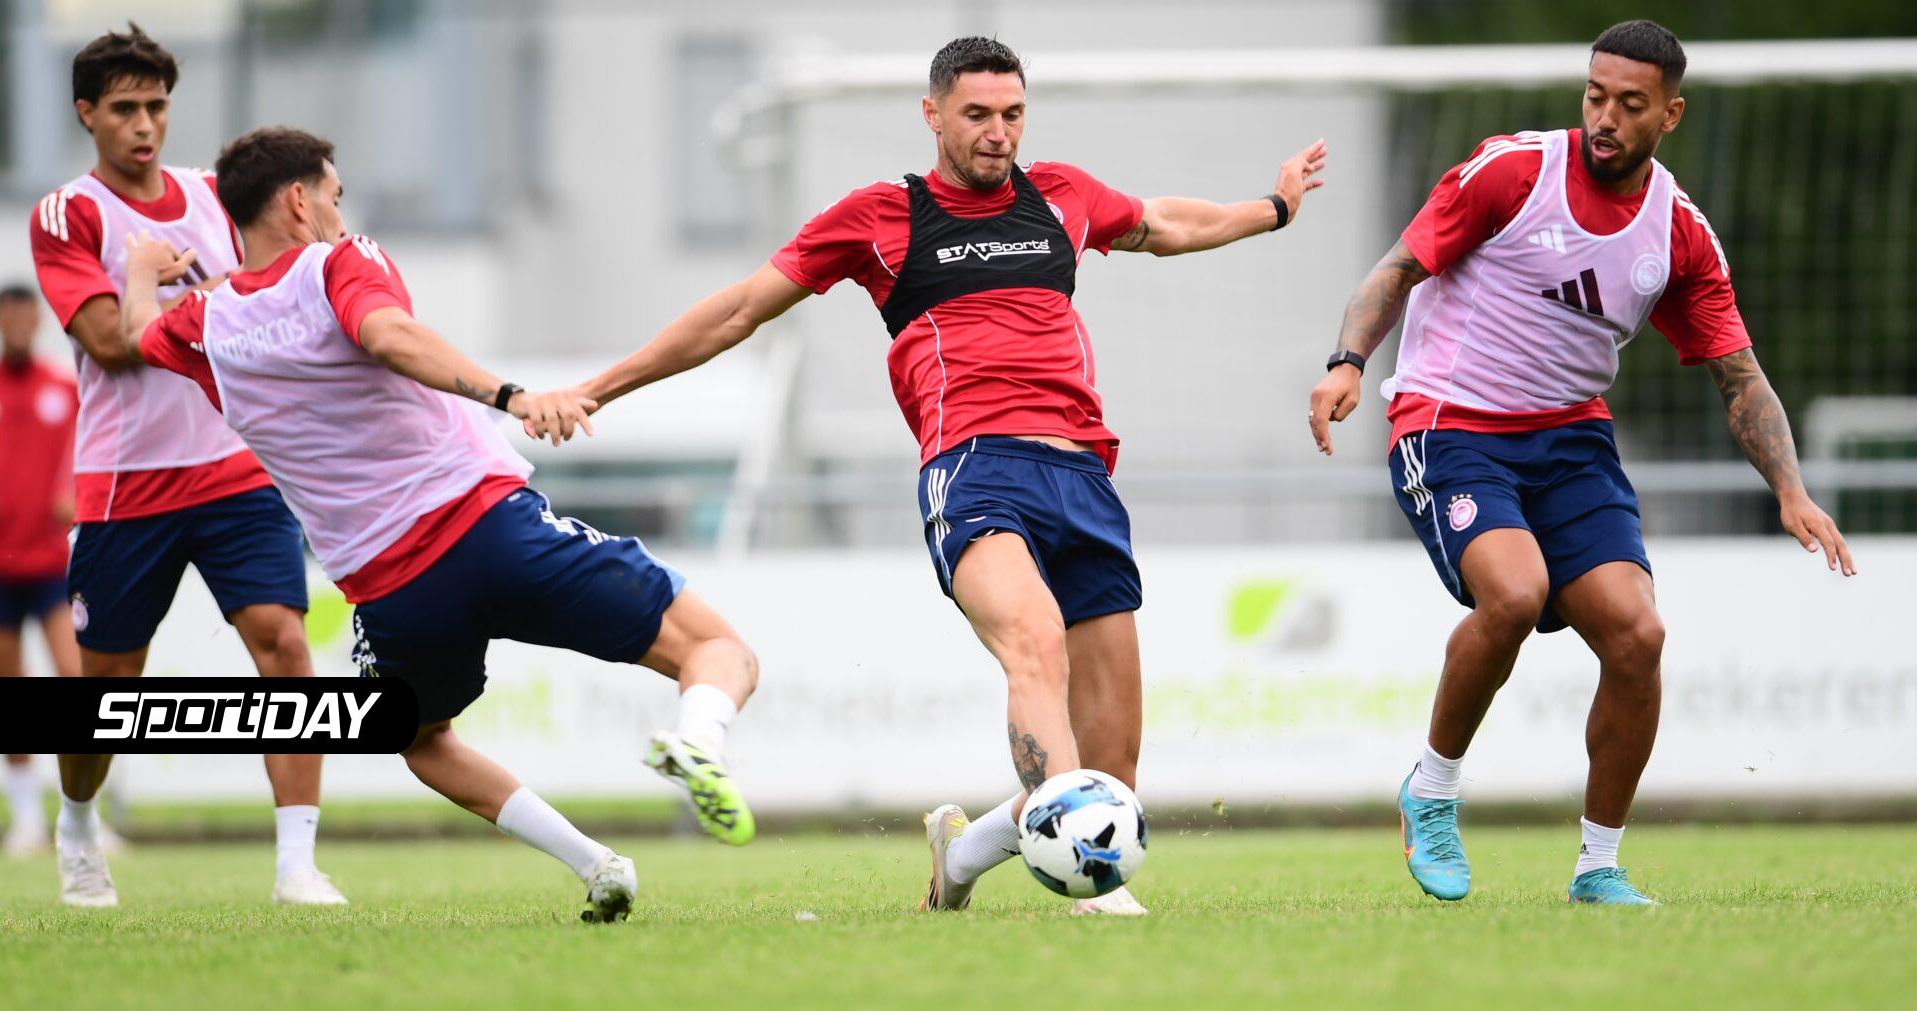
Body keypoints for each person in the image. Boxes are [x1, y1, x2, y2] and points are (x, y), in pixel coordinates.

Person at [569, 36, 1326, 917]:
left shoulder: (1063, 195)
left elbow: (1168, 224)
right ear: (932, 115)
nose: (997, 132)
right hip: (973, 469)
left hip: (1083, 476)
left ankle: (960, 856)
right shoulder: (879, 215)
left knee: (1112, 772)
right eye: (977, 115)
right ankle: (1096, 890)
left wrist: (1275, 206)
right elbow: (738, 309)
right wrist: (599, 387)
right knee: (1034, 643)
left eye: (1012, 114)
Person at [119, 127, 760, 922]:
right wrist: (512, 396)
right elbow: (386, 334)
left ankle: (597, 865)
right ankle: (698, 741)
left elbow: (135, 334)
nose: (340, 215)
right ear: (299, 200)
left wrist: (140, 274)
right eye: (335, 196)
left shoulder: (204, 325)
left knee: (421, 739)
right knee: (718, 650)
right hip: (490, 529)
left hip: (391, 590)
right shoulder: (340, 263)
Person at [1306, 19, 1855, 906]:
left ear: (1670, 115)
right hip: (1450, 422)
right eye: (1596, 96)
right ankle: (1431, 792)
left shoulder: (1677, 232)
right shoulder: (1513, 172)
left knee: (1639, 636)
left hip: (1570, 441)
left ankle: (1597, 865)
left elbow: (1739, 376)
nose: (1606, 117)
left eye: (1631, 104)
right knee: (1515, 593)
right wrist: (1347, 363)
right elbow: (1398, 268)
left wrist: (1791, 490)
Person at [27, 25, 342, 907]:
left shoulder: (212, 195)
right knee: (108, 686)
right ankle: (78, 821)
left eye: (157, 106)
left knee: (285, 645)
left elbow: (271, 301)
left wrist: (191, 295)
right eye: (124, 108)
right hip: (129, 487)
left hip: (237, 470)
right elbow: (110, 342)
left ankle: (297, 864)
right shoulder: (70, 215)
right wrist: (159, 283)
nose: (144, 125)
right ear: (86, 113)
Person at [0, 284, 81, 857]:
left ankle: (81, 815)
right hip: (0, 568)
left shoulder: (63, 388)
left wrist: (73, 490)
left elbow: (90, 447)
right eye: (11, 317)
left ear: (38, 322)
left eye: (28, 317)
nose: (20, 326)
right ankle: (26, 822)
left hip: (52, 564)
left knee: (75, 679)